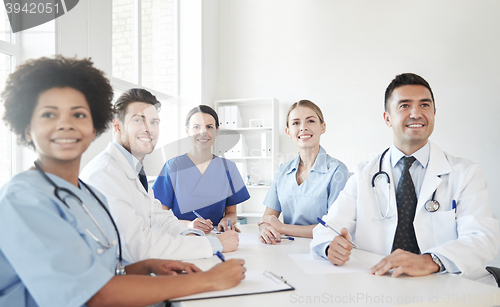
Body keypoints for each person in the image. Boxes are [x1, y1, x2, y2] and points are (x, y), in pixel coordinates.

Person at [0, 56, 245, 307]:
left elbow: (98, 266)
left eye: (79, 114)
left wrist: (141, 268)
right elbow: (94, 295)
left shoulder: (83, 192)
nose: (66, 125)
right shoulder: (23, 198)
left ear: (94, 127)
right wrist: (210, 279)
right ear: (27, 128)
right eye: (49, 114)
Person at [310, 73, 500, 283]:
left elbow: (483, 237)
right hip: (382, 284)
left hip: (446, 285)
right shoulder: (364, 175)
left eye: (425, 105)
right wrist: (330, 246)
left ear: (434, 113)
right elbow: (327, 227)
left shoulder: (466, 173)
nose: (416, 113)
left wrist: (430, 261)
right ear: (387, 118)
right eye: (404, 105)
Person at [80, 91, 239, 262]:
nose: (148, 129)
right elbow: (136, 246)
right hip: (112, 276)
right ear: (118, 127)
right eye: (138, 120)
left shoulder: (133, 169)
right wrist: (213, 244)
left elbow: (158, 218)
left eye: (154, 122)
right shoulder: (105, 173)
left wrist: (193, 235)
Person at [259, 100, 350, 243]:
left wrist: (283, 228)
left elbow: (333, 227)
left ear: (323, 127)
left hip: (324, 250)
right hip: (284, 249)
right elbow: (267, 219)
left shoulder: (337, 171)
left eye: (310, 121)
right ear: (288, 131)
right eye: (295, 123)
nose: (303, 128)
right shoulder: (282, 171)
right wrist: (265, 229)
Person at [153, 105, 250, 234]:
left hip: (217, 236)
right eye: (196, 127)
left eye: (209, 127)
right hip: (181, 237)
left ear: (216, 131)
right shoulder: (173, 167)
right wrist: (189, 225)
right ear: (187, 131)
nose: (203, 132)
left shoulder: (229, 168)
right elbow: (160, 216)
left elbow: (232, 213)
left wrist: (226, 221)